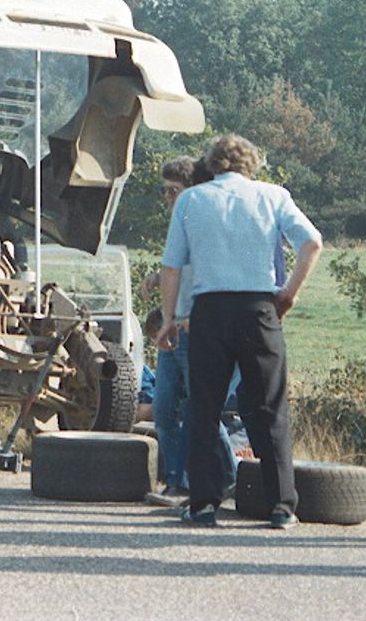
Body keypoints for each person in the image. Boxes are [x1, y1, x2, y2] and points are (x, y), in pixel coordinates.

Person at [157, 134, 322, 529]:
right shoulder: (274, 196)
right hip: (258, 308)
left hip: (209, 309)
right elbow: (312, 242)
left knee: (204, 407)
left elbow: (171, 266)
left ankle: (203, 503)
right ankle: (281, 505)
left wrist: (168, 319)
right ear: (252, 164)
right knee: (270, 407)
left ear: (211, 165)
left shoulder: (191, 200)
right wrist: (289, 293)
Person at [141, 157, 237, 508]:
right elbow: (177, 269)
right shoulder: (178, 226)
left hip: (197, 332)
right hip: (172, 332)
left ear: (193, 191)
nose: (168, 199)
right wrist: (158, 278)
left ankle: (230, 477)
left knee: (201, 409)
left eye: (174, 191)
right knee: (164, 408)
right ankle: (175, 481)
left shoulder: (207, 227)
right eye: (165, 192)